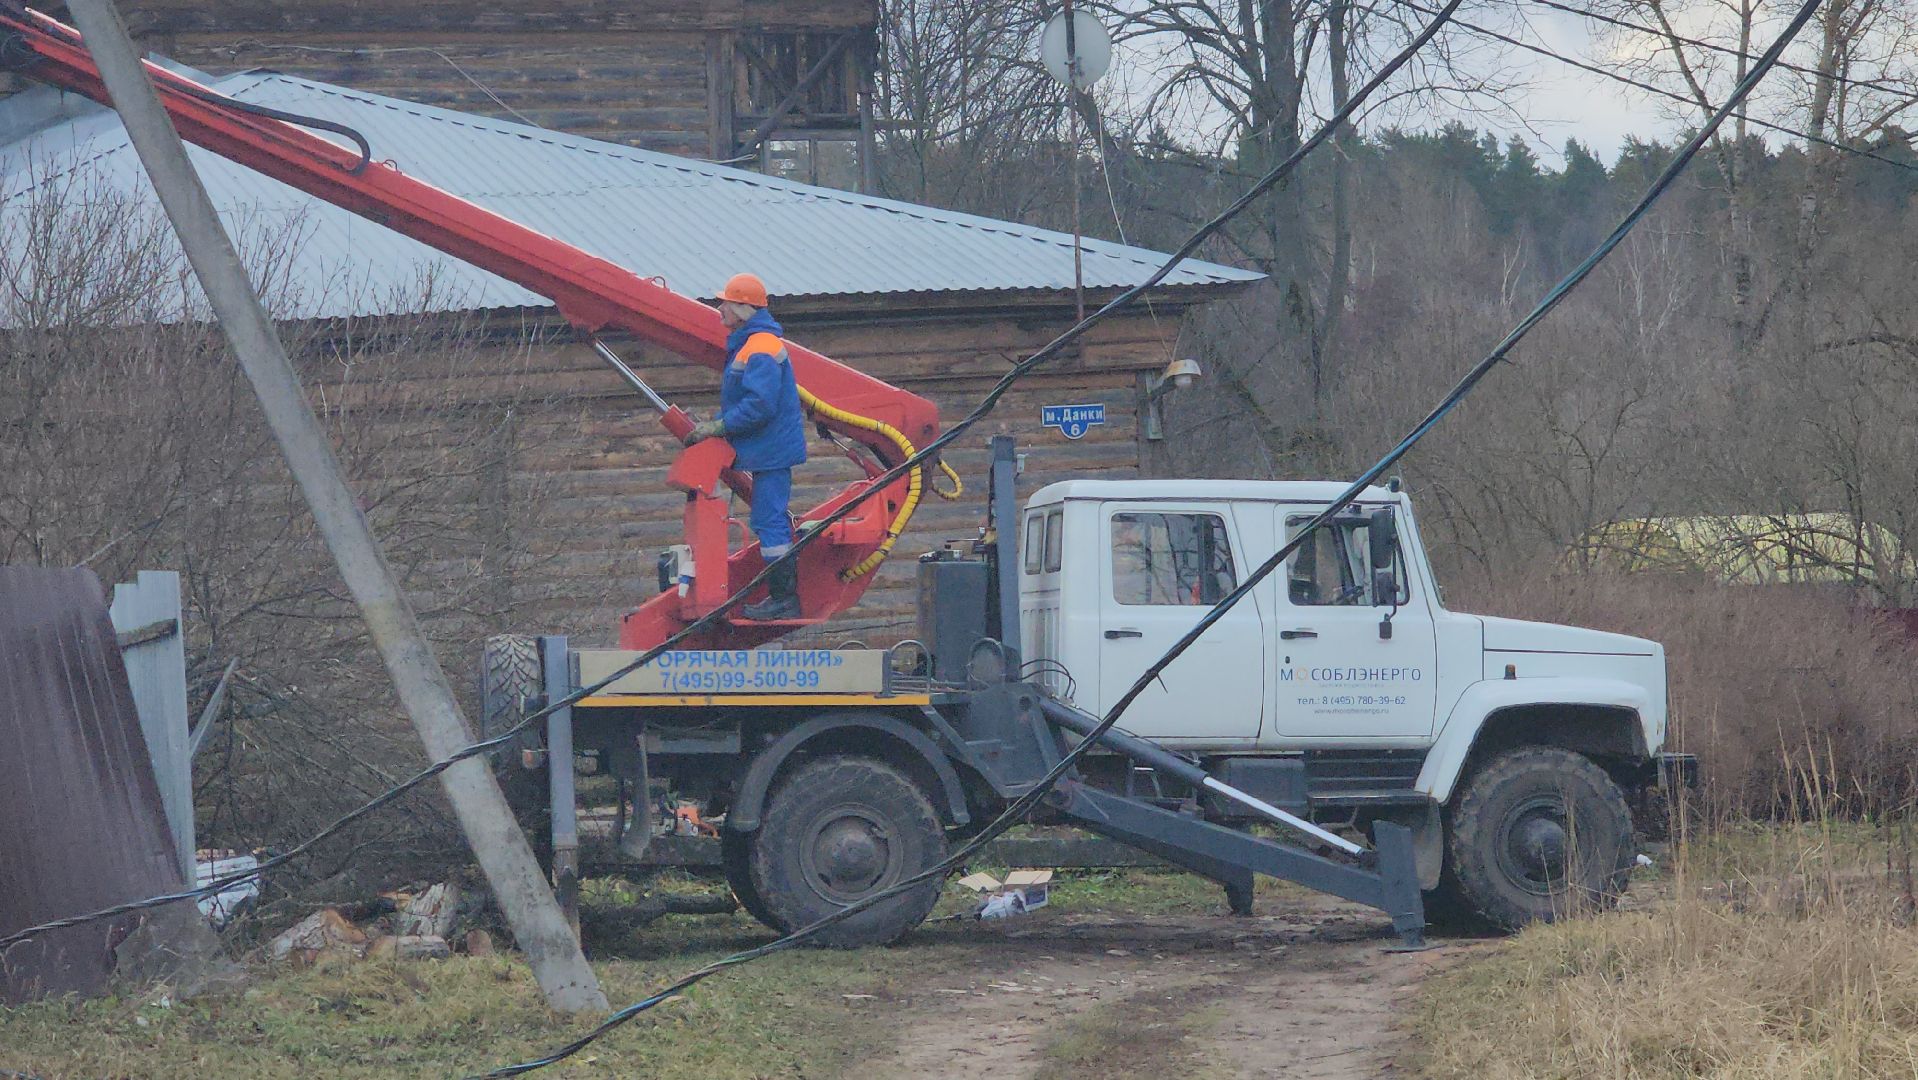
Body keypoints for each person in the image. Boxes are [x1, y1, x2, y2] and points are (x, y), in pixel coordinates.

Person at [686, 272, 808, 621]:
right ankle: (781, 595)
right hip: (769, 449)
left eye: (725, 302)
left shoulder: (761, 347)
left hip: (771, 451)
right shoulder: (753, 343)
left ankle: (785, 598)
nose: (719, 308)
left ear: (743, 308)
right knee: (769, 519)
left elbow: (759, 405)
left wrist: (720, 426)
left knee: (770, 521)